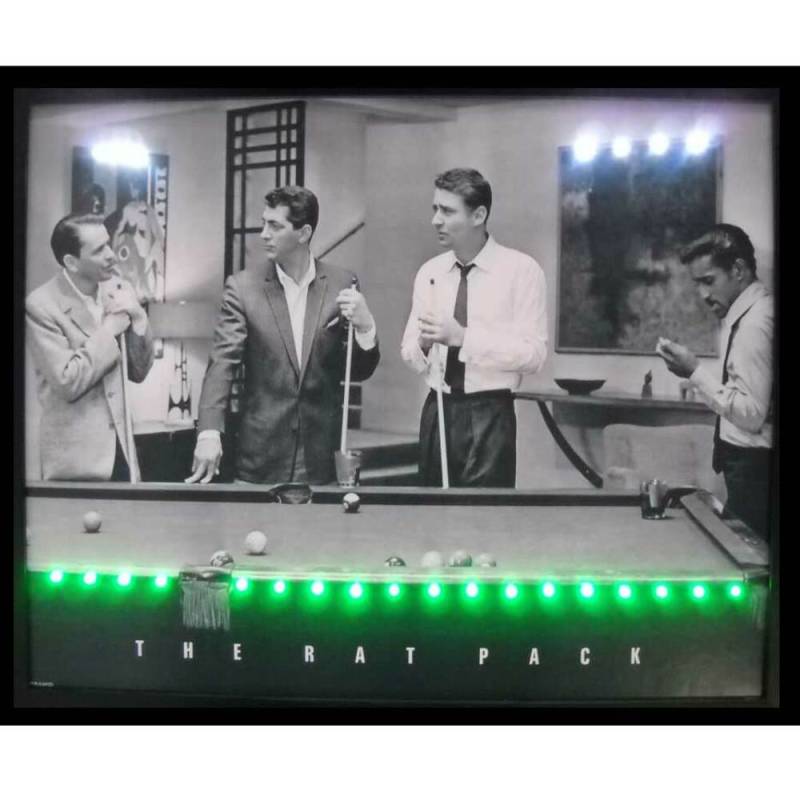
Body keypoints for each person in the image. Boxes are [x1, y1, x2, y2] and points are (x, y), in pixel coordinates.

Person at [188, 186, 380, 485]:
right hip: (259, 459)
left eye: (275, 226)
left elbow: (358, 370)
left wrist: (366, 328)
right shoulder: (242, 288)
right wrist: (209, 432)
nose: (264, 234)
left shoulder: (343, 282)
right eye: (264, 223)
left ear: (303, 233)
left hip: (322, 461)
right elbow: (222, 364)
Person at [401, 168, 548, 487]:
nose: (436, 220)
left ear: (478, 215)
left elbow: (534, 356)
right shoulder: (430, 272)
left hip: (490, 413)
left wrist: (463, 338)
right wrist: (424, 344)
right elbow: (410, 355)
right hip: (438, 409)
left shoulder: (522, 271)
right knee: (430, 512)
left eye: (447, 211)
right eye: (435, 209)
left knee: (484, 514)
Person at [656, 223, 774, 540]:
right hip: (751, 471)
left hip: (755, 473)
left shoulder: (754, 324)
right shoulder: (750, 315)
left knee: (747, 559)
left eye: (708, 281)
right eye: (698, 284)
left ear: (738, 270)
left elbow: (752, 414)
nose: (703, 295)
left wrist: (694, 372)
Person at [26, 214, 154, 481]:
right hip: (74, 464)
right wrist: (108, 331)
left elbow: (139, 372)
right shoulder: (40, 305)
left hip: (123, 457)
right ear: (71, 262)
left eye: (108, 243)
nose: (111, 255)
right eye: (99, 250)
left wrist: (139, 317)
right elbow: (67, 381)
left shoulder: (118, 289)